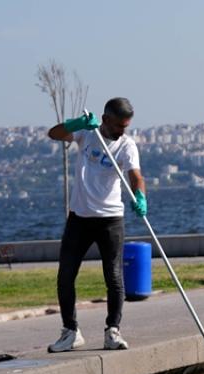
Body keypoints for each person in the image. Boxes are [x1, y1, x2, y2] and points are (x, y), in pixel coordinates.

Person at [44, 97, 148, 352]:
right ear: (105, 119)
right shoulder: (86, 133)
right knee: (66, 275)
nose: (122, 131)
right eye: (118, 126)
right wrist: (76, 122)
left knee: (113, 276)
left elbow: (135, 176)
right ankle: (70, 331)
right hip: (79, 217)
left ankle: (112, 330)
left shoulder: (127, 146)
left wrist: (141, 196)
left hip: (110, 219)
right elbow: (53, 134)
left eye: (126, 126)